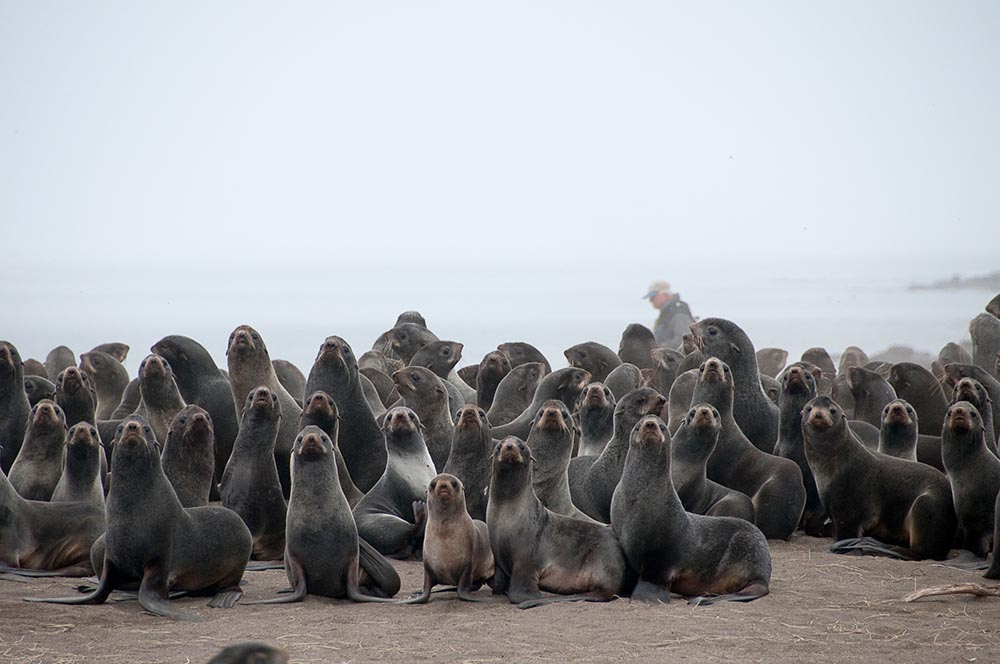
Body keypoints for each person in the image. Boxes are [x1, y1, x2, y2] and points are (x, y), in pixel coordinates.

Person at [643, 280, 695, 349]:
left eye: (653, 297)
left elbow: (685, 340)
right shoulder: (666, 314)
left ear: (665, 295)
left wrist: (659, 348)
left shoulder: (678, 313)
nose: (651, 301)